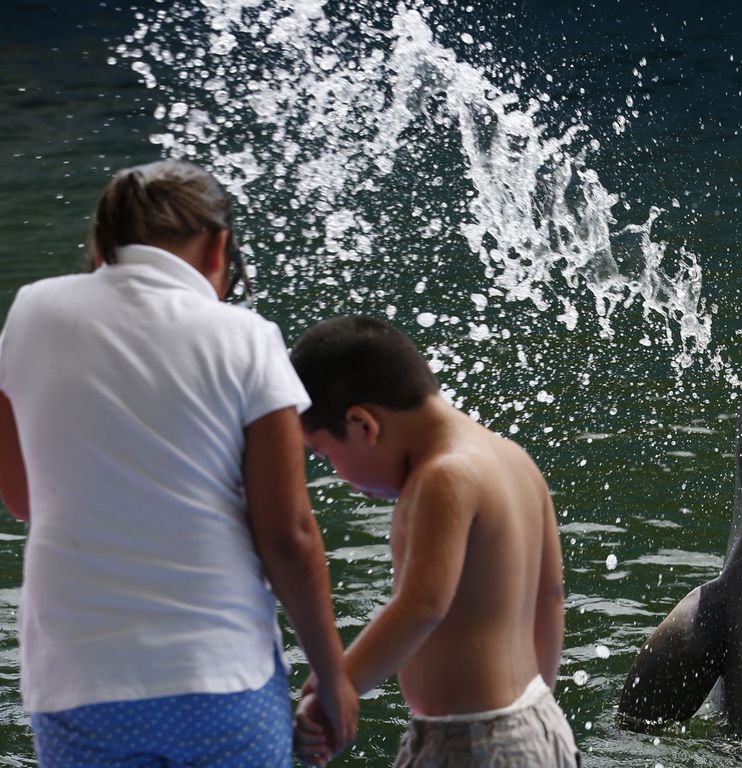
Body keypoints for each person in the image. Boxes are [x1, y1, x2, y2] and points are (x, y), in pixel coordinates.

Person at [0, 160, 358, 766]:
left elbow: (22, 498)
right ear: (219, 246)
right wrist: (333, 675)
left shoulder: (32, 312)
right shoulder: (245, 336)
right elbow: (287, 535)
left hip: (77, 680)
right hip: (218, 672)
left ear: (104, 242)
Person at [289, 316, 579, 767]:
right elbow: (552, 596)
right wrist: (531, 712)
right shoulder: (513, 458)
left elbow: (422, 606)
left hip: (474, 742)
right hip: (537, 723)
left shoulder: (442, 476)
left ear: (362, 424)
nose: (340, 477)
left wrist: (335, 685)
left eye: (326, 454)